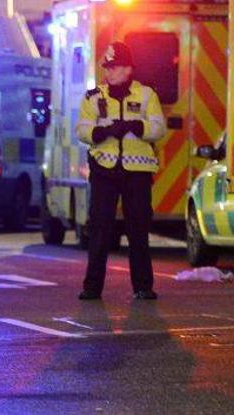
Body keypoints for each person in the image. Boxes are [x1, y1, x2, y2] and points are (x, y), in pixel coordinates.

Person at [75, 41, 166, 301]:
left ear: (128, 69)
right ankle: (92, 287)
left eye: (114, 68)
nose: (109, 72)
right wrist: (101, 132)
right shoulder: (93, 97)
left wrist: (138, 127)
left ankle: (143, 287)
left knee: (138, 229)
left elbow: (159, 127)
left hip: (137, 172)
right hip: (104, 170)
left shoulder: (147, 95)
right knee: (100, 230)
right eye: (107, 67)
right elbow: (81, 129)